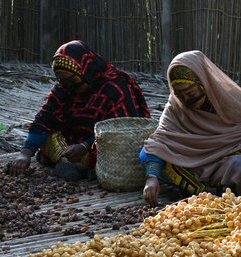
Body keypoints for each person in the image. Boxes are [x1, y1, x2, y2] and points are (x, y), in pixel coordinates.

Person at [140, 50, 241, 206]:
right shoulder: (176, 107)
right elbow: (158, 141)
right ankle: (203, 191)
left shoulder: (228, 98)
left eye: (191, 93)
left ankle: (224, 190)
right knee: (146, 155)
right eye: (180, 95)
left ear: (204, 83)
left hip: (226, 162)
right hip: (192, 164)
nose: (186, 100)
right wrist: (151, 177)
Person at [8, 40, 151, 180]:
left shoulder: (115, 87)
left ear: (87, 72)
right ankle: (75, 165)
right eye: (64, 82)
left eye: (74, 82)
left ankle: (80, 166)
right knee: (47, 138)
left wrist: (85, 146)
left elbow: (123, 131)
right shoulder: (63, 88)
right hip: (73, 146)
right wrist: (25, 153)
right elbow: (44, 119)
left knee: (116, 153)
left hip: (102, 146)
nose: (69, 87)